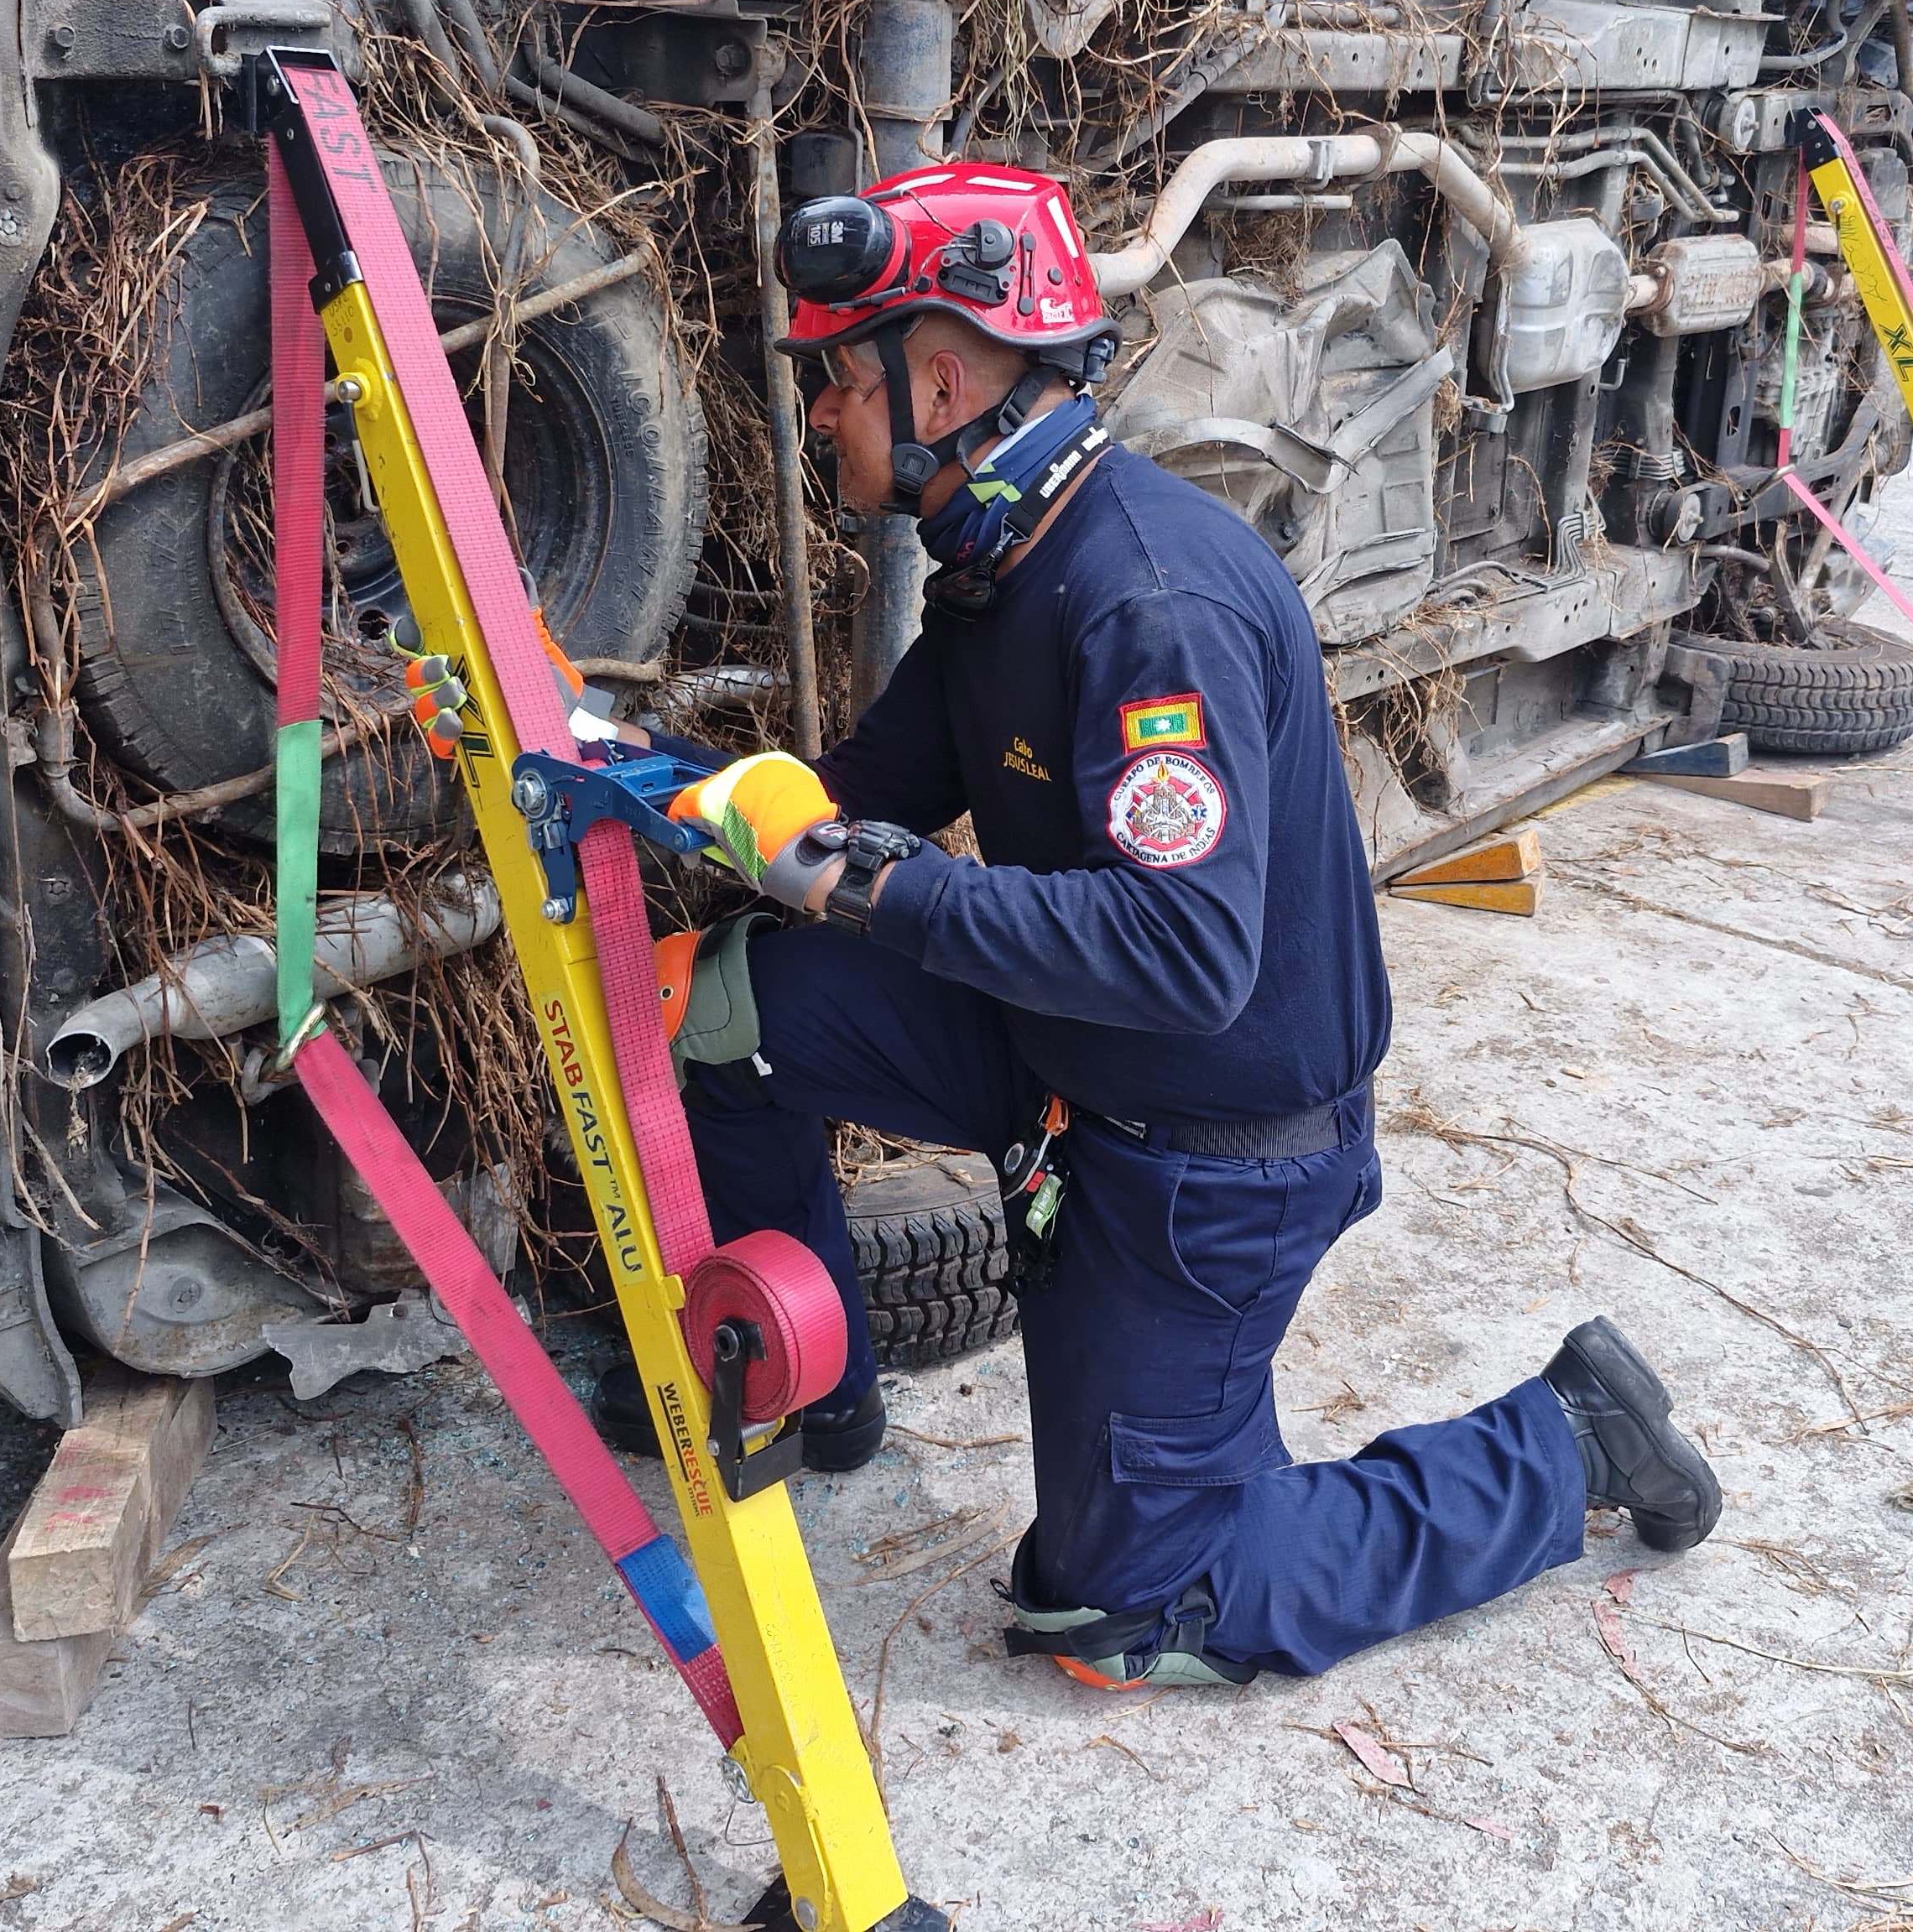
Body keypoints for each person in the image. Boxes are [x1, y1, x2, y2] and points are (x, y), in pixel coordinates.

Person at [602, 161, 1723, 1688]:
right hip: (1070, 1062)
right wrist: (631, 775)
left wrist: (866, 885)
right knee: (710, 1007)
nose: (820, 420)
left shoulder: (1142, 602)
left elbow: (1185, 956)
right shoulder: (1002, 571)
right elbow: (847, 799)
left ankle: (1565, 1444)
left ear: (936, 376)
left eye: (836, 383)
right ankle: (812, 1384)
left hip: (1207, 1157)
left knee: (1129, 1612)